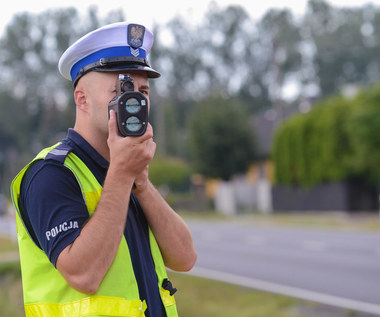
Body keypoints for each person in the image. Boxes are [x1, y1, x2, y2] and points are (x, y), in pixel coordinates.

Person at [11, 22, 197, 317]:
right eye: (122, 88)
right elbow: (83, 275)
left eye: (143, 90)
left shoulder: (127, 170)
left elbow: (185, 257)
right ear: (81, 99)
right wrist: (122, 176)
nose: (135, 100)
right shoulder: (49, 175)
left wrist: (142, 184)